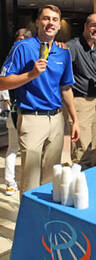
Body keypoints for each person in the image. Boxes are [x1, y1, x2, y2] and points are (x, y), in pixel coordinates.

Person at [0, 5, 80, 196]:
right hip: (32, 118)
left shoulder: (63, 52)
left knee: (51, 178)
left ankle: (45, 221)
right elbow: (2, 83)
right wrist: (31, 74)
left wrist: (74, 120)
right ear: (37, 22)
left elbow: (66, 88)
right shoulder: (23, 47)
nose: (50, 23)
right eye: (45, 18)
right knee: (30, 180)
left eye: (54, 20)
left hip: (56, 120)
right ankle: (29, 224)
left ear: (59, 26)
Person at [64, 13, 96, 170]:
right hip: (79, 102)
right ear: (85, 26)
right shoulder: (73, 47)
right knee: (81, 149)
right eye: (93, 25)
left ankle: (89, 180)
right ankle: (76, 185)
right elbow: (61, 74)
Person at [2, 28, 32, 196]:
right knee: (14, 148)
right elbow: (4, 82)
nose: (18, 44)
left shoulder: (29, 59)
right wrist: (7, 102)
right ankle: (10, 182)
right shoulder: (13, 59)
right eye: (17, 40)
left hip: (28, 111)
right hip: (14, 111)